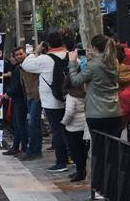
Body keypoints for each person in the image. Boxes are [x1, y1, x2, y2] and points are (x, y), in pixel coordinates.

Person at [67, 36, 122, 182]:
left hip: (96, 113)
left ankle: (100, 184)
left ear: (95, 48)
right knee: (113, 150)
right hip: (115, 111)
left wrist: (72, 63)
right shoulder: (114, 62)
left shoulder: (93, 65)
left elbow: (76, 80)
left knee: (98, 151)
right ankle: (114, 183)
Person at [20, 32, 70, 171]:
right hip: (69, 98)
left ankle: (61, 162)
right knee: (68, 130)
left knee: (57, 130)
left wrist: (35, 52)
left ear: (47, 44)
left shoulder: (45, 59)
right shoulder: (71, 56)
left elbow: (26, 65)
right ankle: (70, 157)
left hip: (52, 100)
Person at [2, 46, 28, 156]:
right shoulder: (18, 67)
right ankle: (16, 147)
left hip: (21, 99)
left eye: (20, 54)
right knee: (17, 124)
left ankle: (24, 148)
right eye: (15, 55)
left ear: (25, 53)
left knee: (21, 125)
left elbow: (17, 85)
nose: (17, 57)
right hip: (18, 99)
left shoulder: (21, 67)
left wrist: (8, 94)